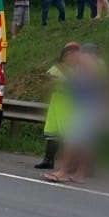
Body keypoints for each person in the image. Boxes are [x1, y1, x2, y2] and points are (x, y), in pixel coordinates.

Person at [45, 42, 106, 185]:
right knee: (86, 141)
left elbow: (91, 81)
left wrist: (73, 85)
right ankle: (80, 174)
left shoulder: (85, 59)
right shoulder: (97, 62)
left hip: (86, 105)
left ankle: (63, 171)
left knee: (71, 138)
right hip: (94, 105)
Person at [35, 41, 78, 170]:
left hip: (68, 102)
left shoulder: (79, 69)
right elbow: (47, 80)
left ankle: (73, 163)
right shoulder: (58, 68)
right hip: (56, 101)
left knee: (69, 134)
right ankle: (48, 159)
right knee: (51, 131)